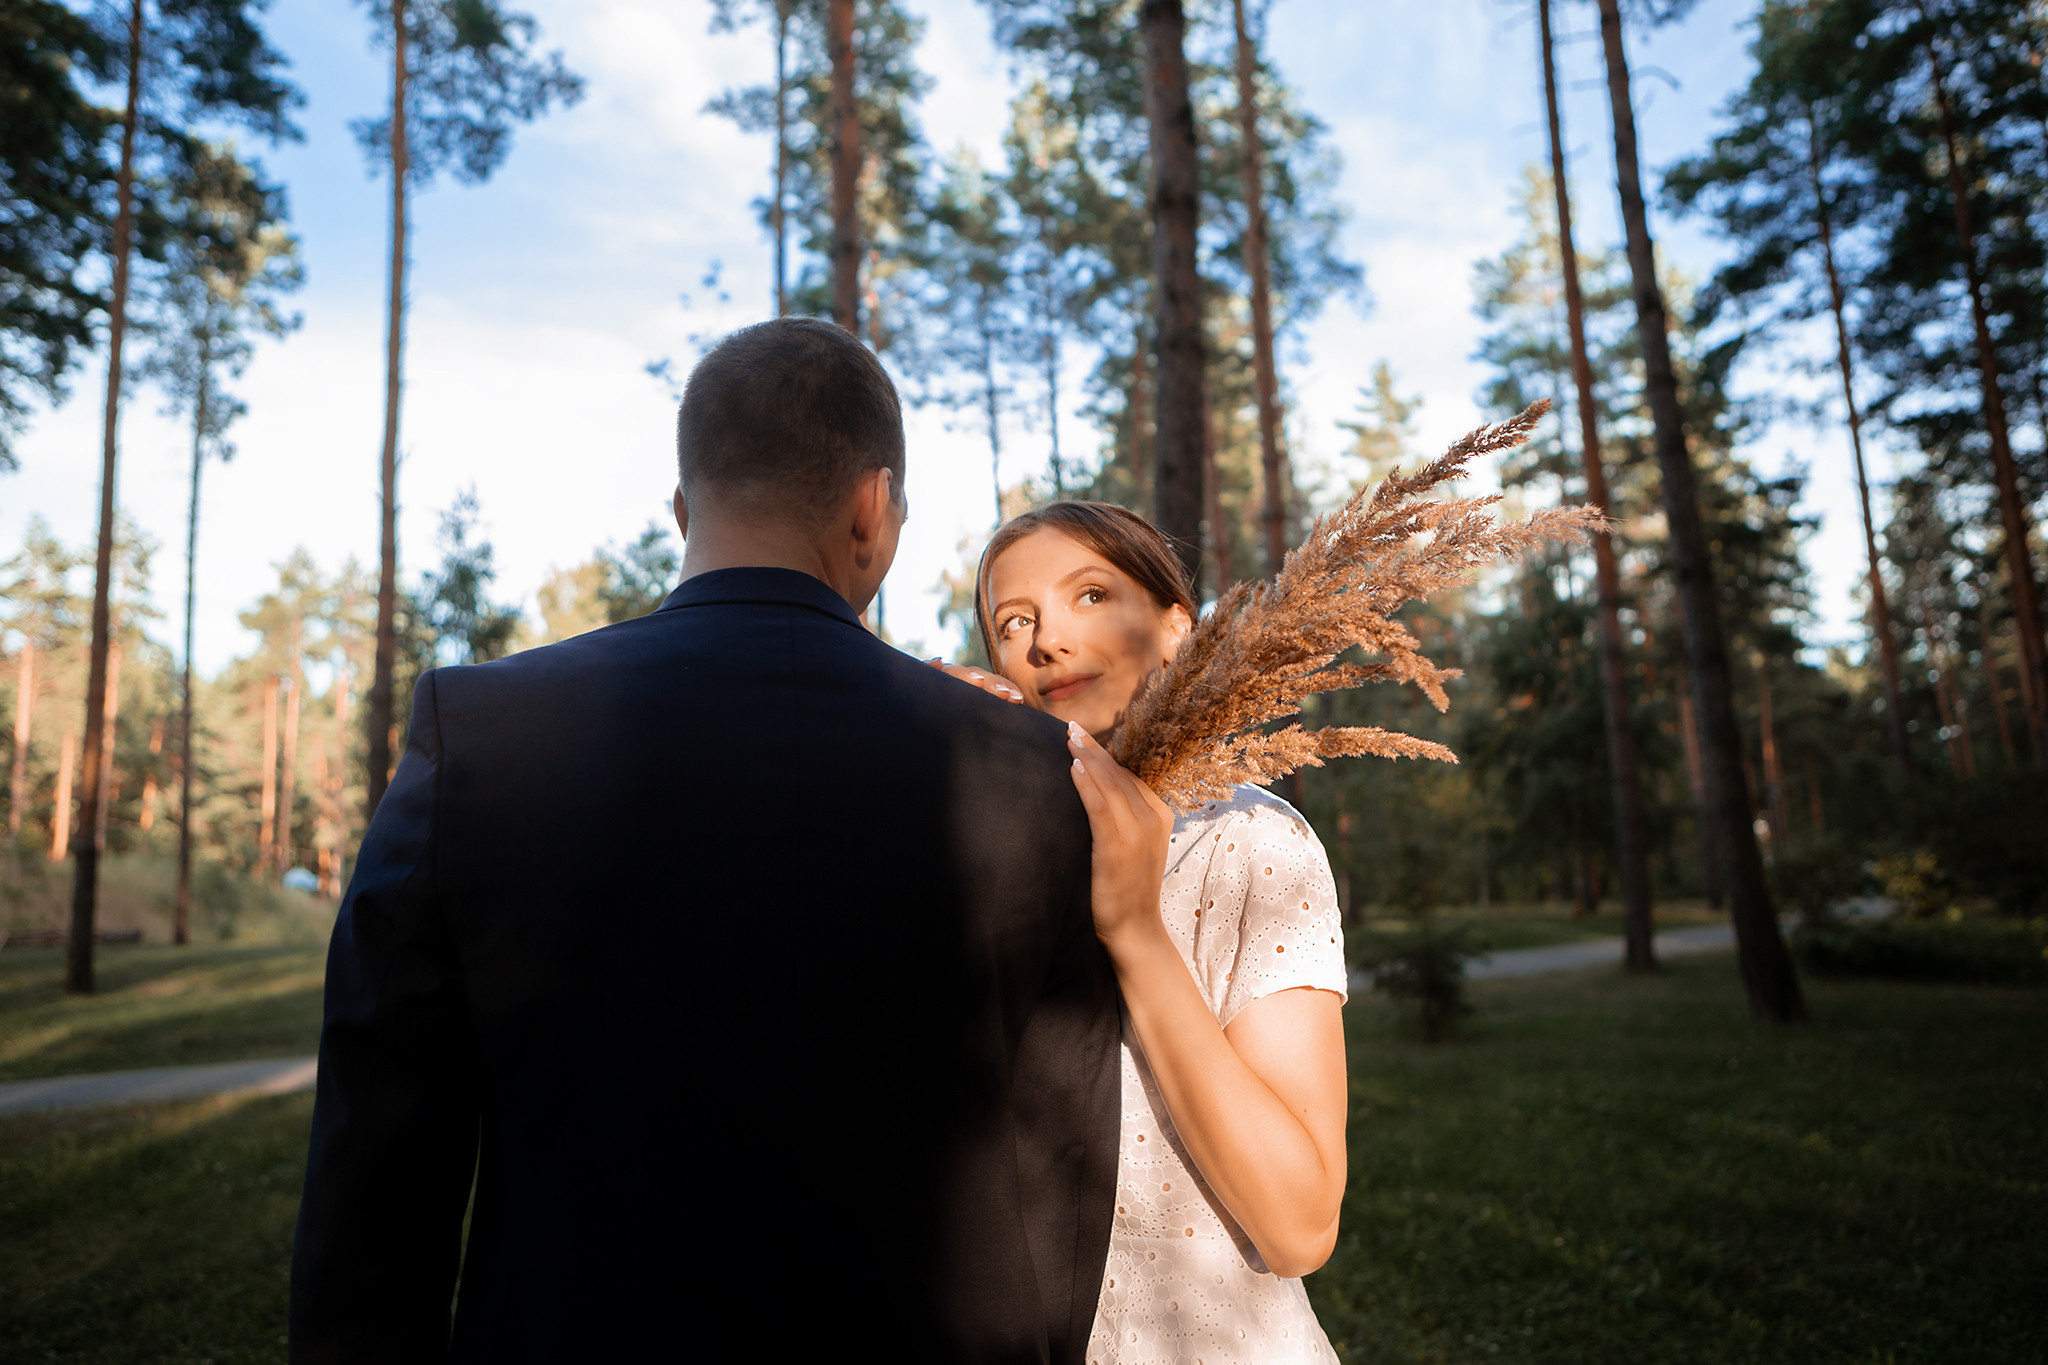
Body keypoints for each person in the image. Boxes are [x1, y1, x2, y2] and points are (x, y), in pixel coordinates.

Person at [289, 318, 1123, 1363]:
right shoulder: (1027, 766)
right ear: (871, 508)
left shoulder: (481, 731)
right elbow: (1063, 1164)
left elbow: (379, 1180)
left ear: (684, 508)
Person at [940, 501, 1349, 1363]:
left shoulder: (1248, 842)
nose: (1048, 638)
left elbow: (1301, 1224)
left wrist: (1135, 930)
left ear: (1176, 630)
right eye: (1016, 622)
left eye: (1089, 595)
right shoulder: (985, 857)